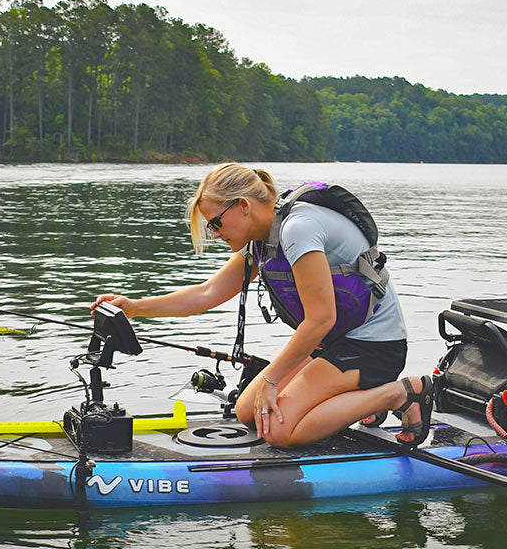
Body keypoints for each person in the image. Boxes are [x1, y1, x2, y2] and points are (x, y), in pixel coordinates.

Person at [91, 163, 432, 448]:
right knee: (247, 412)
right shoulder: (262, 239)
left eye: (215, 223)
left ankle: (399, 394)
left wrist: (270, 381)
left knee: (279, 431)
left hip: (374, 348)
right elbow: (208, 293)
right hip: (335, 346)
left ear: (243, 205)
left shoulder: (298, 229)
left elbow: (321, 319)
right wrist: (134, 306)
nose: (214, 234)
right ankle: (358, 400)